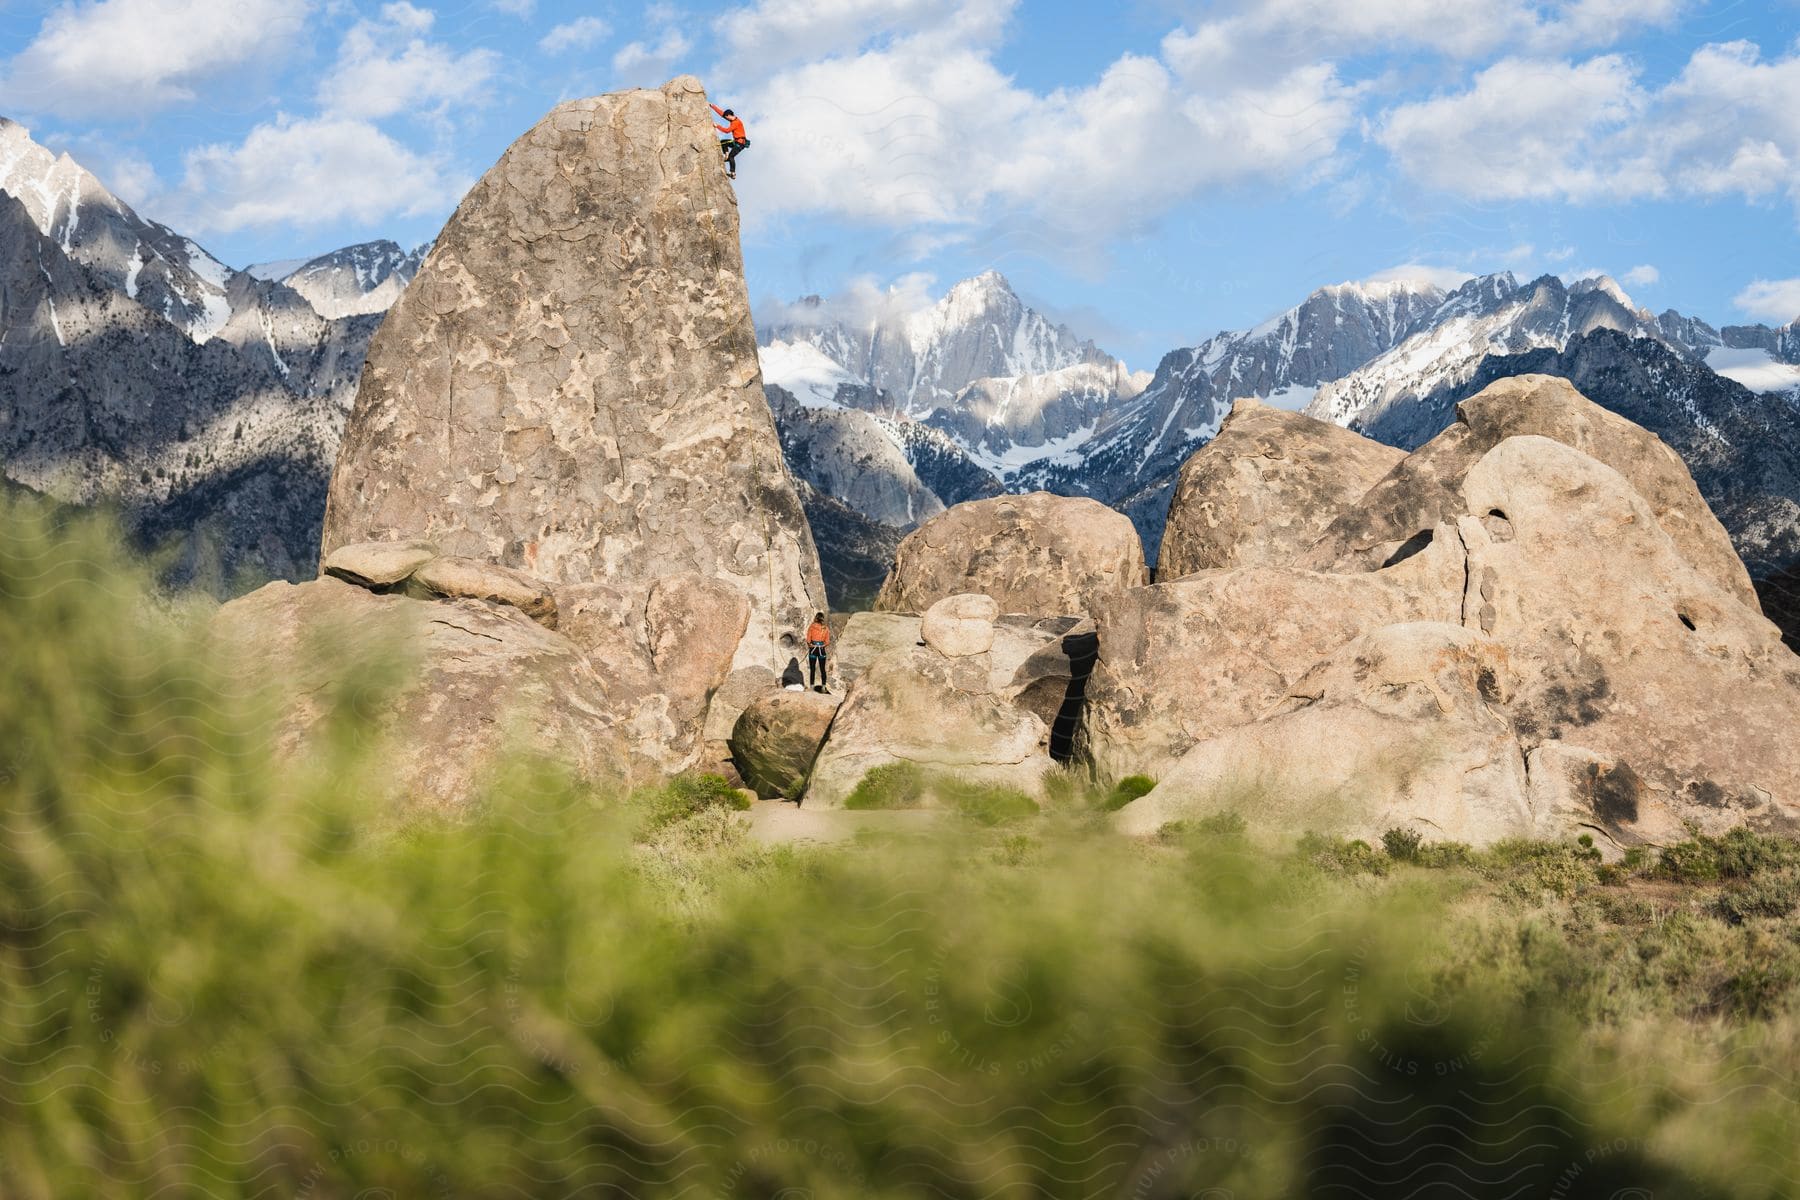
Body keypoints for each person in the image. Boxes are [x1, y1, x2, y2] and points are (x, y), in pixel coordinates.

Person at [711, 103, 749, 179]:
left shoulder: (736, 122)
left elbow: (727, 131)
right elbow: (722, 114)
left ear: (729, 116)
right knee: (723, 142)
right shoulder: (732, 119)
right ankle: (726, 154)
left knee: (731, 157)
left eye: (726, 117)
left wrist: (717, 126)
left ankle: (733, 173)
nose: (726, 119)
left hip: (740, 144)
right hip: (736, 141)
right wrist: (713, 106)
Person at [805, 611, 831, 692]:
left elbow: (808, 640)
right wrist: (822, 645)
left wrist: (810, 645)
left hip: (813, 649)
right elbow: (827, 642)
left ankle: (812, 687)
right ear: (822, 619)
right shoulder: (825, 628)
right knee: (822, 669)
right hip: (821, 650)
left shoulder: (812, 627)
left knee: (812, 669)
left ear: (816, 618)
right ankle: (823, 687)